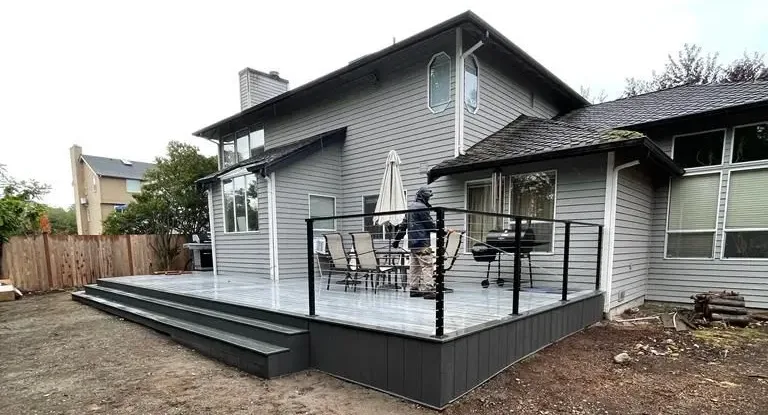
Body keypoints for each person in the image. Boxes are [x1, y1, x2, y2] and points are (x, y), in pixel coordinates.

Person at [392, 186, 438, 299]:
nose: (429, 199)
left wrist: (396, 240)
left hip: (412, 244)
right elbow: (430, 225)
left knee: (415, 267)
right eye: (428, 197)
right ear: (423, 196)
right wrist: (443, 230)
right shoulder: (422, 208)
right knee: (427, 266)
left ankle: (414, 289)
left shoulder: (410, 207)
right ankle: (429, 290)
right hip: (423, 244)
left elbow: (403, 226)